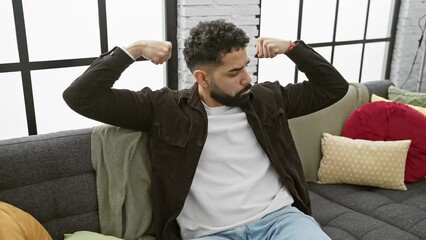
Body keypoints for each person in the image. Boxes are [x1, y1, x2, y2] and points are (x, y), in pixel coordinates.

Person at [63, 19, 348, 240]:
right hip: (210, 233)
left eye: (246, 67)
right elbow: (81, 97)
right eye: (234, 73)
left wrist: (292, 48)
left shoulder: (267, 99)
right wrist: (133, 51)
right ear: (202, 77)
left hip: (280, 221)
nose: (247, 79)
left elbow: (334, 88)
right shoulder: (164, 108)